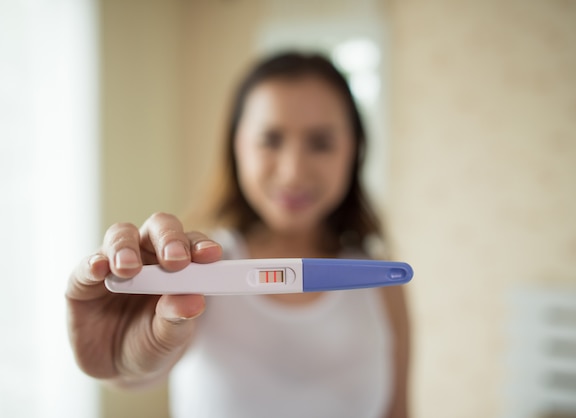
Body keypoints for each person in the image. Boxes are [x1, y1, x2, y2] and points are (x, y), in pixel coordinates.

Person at [66, 52, 410, 418]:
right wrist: (125, 366)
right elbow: (137, 371)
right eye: (270, 139)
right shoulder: (191, 275)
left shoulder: (383, 285)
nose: (293, 172)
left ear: (354, 151)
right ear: (237, 147)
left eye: (321, 143)